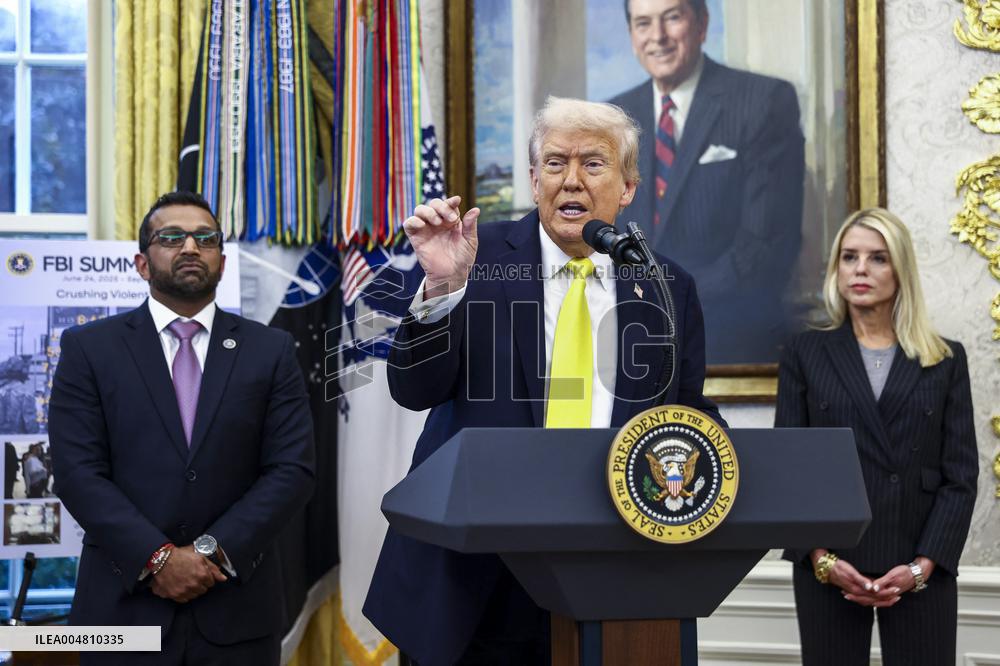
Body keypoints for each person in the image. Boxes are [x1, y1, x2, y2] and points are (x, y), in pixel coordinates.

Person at [363, 97, 725, 666]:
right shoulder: (471, 260)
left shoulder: (664, 286)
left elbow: (686, 417)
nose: (571, 180)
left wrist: (711, 467)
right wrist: (440, 291)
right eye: (555, 163)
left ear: (628, 186)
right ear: (534, 181)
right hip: (471, 577)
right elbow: (414, 391)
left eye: (594, 164)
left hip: (613, 574)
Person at [48, 191, 316, 665]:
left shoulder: (270, 350)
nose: (190, 248)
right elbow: (77, 472)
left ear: (222, 260)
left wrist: (210, 552)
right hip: (120, 615)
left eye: (205, 238)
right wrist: (158, 559)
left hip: (238, 613)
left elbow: (291, 471)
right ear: (142, 263)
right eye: (171, 237)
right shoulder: (89, 349)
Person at [775, 208, 978, 665]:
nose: (861, 269)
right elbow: (789, 471)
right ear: (836, 270)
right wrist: (822, 560)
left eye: (877, 258)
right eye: (849, 257)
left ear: (900, 269)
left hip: (919, 562)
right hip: (829, 564)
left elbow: (960, 478)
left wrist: (921, 567)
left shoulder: (944, 360)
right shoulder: (806, 353)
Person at [609, 0, 805, 363]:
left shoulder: (763, 101)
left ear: (701, 23)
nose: (658, 37)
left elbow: (763, 247)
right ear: (632, 35)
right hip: (630, 344)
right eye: (643, 23)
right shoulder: (614, 117)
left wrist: (669, 301)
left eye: (672, 17)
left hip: (731, 340)